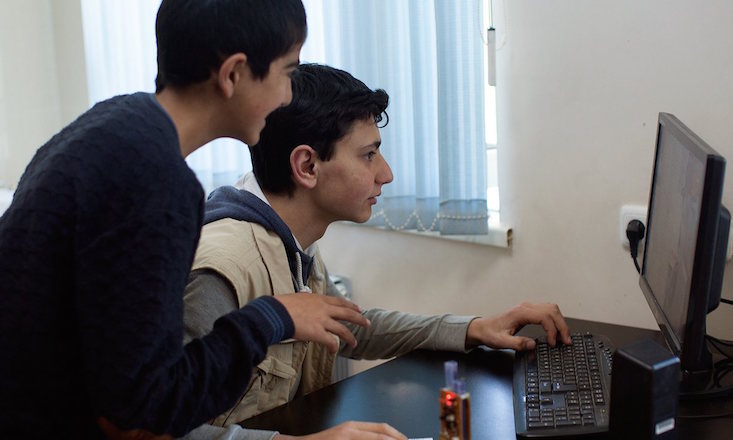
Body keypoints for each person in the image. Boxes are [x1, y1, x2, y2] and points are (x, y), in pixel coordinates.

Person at [0, 2, 382, 438]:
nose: (287, 96)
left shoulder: (110, 127)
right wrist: (272, 317)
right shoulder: (156, 180)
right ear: (234, 74)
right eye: (286, 72)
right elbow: (149, 407)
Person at [181, 63, 571, 439]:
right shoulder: (221, 271)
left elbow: (349, 325)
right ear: (307, 166)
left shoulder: (289, 240)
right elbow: (158, 431)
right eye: (369, 155)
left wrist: (473, 328)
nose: (386, 174)